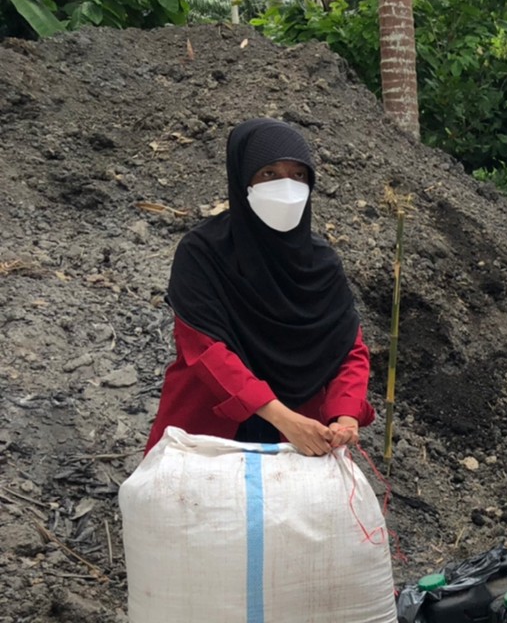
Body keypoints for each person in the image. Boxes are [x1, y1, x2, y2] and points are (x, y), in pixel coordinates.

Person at [146, 118, 374, 455]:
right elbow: (205, 350)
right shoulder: (203, 252)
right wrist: (284, 418)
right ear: (243, 179)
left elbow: (348, 348)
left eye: (298, 175)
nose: (287, 188)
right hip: (210, 427)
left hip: (305, 436)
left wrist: (345, 415)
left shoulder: (321, 263)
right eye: (269, 173)